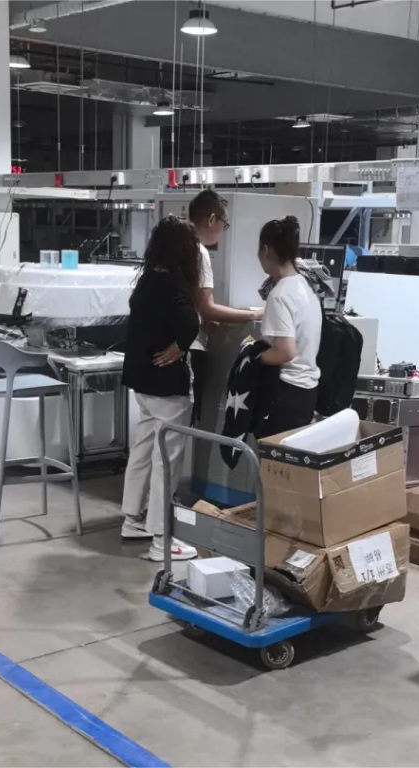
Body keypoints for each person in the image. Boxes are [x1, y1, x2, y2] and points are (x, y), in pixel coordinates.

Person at [120, 216, 202, 561]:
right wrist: (180, 347)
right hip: (167, 386)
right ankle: (161, 540)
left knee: (142, 451)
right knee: (166, 461)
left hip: (142, 382)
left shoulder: (147, 279)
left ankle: (132, 519)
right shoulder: (176, 284)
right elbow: (191, 321)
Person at [187, 190, 262, 423]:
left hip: (163, 348)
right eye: (224, 224)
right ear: (211, 220)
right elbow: (207, 308)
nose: (223, 230)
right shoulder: (199, 252)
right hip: (188, 348)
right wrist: (252, 314)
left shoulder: (173, 248)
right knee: (181, 428)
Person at [255, 215, 323, 438]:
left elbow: (285, 352)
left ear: (265, 250)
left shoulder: (280, 295)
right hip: (307, 391)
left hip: (284, 394)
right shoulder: (306, 285)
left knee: (272, 457)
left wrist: (254, 358)